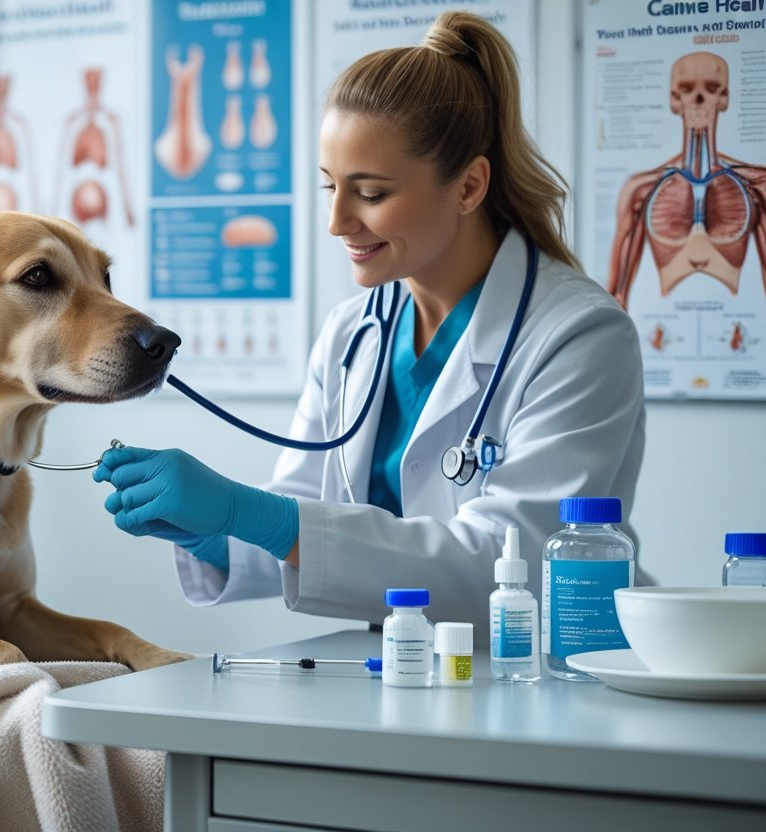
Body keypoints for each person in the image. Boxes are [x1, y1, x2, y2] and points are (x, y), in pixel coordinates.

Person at [93, 12, 647, 633]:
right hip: (402, 663)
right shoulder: (352, 332)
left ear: (468, 187)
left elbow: (513, 562)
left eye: (371, 194)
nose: (337, 221)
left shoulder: (578, 336)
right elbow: (306, 514)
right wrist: (217, 533)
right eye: (330, 187)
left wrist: (253, 514)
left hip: (542, 669)